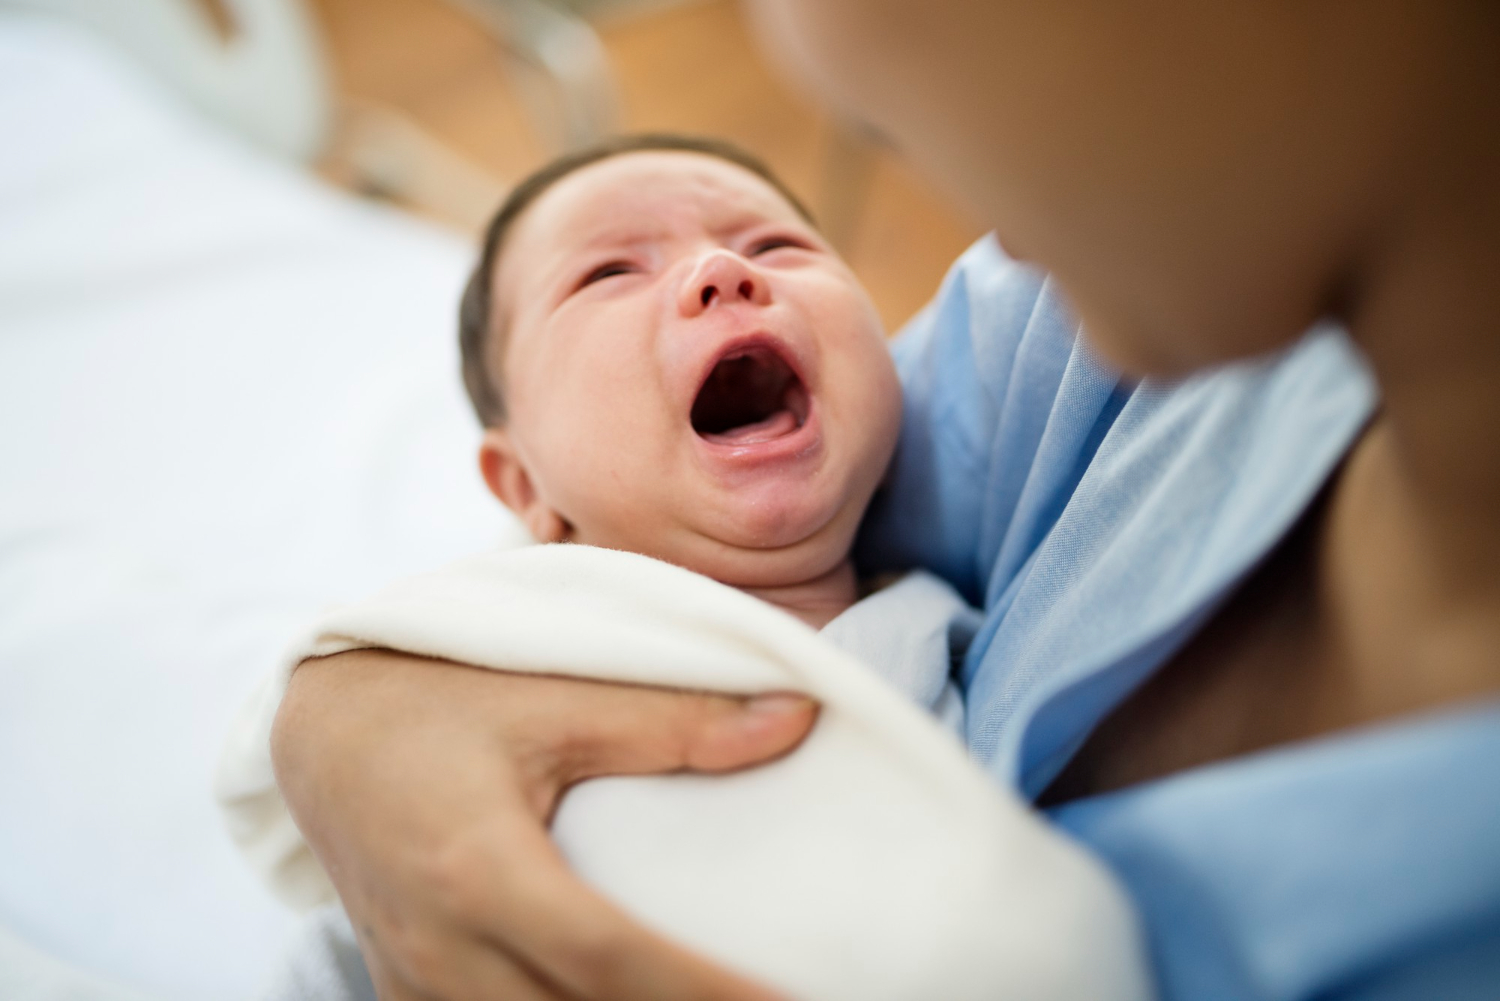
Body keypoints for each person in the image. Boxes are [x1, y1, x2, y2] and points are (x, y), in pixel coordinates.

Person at [272, 1, 1500, 998]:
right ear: (519, 485)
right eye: (607, 272)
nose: (720, 272)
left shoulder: (920, 590)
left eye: (784, 247)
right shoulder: (1079, 324)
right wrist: (346, 702)